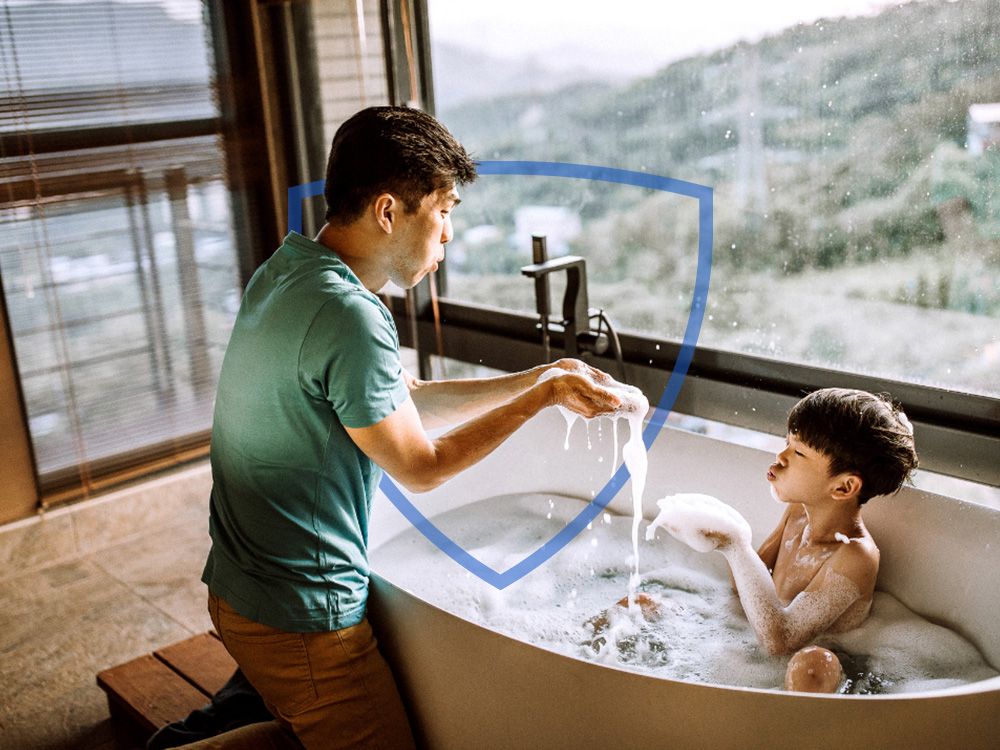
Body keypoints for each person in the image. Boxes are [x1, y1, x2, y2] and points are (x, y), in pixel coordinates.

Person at [191, 106, 624, 750]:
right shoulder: (351, 315)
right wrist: (542, 399)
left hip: (238, 591)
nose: (448, 234)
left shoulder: (288, 270)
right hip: (304, 618)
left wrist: (538, 378)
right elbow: (423, 468)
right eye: (443, 210)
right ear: (390, 211)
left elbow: (401, 399)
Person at [649, 387, 918, 693]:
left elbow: (782, 639)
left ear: (844, 487)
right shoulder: (797, 514)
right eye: (786, 443)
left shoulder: (856, 556)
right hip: (755, 639)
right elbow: (743, 588)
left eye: (798, 452)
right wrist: (727, 539)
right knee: (644, 604)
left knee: (813, 666)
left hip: (829, 658)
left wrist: (735, 545)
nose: (781, 456)